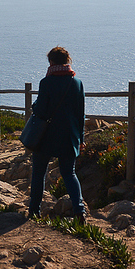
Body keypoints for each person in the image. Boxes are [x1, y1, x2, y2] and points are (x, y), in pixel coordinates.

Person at [28, 46, 86, 224]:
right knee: (69, 173)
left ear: (51, 62)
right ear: (67, 61)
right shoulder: (77, 83)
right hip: (69, 136)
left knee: (39, 173)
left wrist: (35, 104)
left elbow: (40, 110)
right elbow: (80, 114)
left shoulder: (46, 83)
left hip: (46, 136)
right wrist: (81, 139)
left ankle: (34, 213)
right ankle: (79, 211)